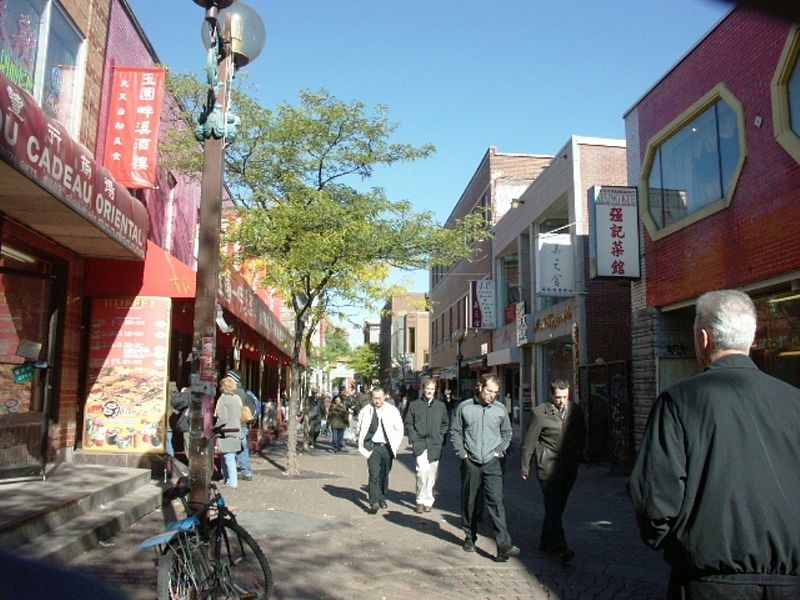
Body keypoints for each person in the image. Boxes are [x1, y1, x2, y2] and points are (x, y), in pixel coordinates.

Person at [630, 290, 800, 600]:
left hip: (708, 580)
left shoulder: (678, 402)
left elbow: (655, 500)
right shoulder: (794, 401)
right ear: (750, 338)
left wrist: (676, 545)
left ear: (703, 338)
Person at [450, 373, 519, 562]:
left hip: (492, 462)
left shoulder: (499, 409)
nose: (492, 396)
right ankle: (470, 537)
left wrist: (499, 451)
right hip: (471, 461)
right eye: (489, 391)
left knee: (496, 502)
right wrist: (462, 453)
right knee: (470, 501)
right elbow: (455, 431)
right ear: (480, 387)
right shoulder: (465, 407)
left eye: (495, 393)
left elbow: (507, 432)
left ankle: (503, 545)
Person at [520, 378, 585, 564]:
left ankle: (545, 541)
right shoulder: (540, 413)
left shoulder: (576, 411)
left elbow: (582, 435)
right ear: (551, 395)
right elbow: (529, 442)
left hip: (569, 466)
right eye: (558, 397)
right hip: (547, 466)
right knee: (553, 506)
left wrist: (579, 455)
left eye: (565, 397)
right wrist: (525, 466)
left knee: (557, 507)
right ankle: (561, 547)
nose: (561, 401)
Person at [357, 386, 405, 514]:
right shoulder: (366, 411)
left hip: (387, 447)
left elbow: (399, 429)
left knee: (384, 474)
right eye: (374, 398)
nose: (377, 401)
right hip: (373, 447)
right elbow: (359, 426)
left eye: (379, 398)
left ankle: (382, 496)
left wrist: (395, 444)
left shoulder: (392, 411)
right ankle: (374, 502)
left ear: (384, 397)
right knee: (374, 475)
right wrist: (364, 444)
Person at [405, 377, 449, 513]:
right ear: (423, 389)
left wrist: (440, 437)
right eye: (427, 388)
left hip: (434, 444)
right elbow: (408, 423)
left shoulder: (440, 406)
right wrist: (413, 438)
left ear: (435, 390)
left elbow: (445, 423)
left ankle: (429, 500)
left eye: (432, 389)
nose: (429, 391)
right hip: (420, 443)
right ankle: (419, 499)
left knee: (431, 474)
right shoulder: (414, 405)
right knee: (421, 473)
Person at [214, 376, 243, 488]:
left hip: (226, 431)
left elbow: (223, 418)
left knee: (228, 457)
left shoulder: (223, 399)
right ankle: (227, 480)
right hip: (236, 429)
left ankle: (232, 482)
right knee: (229, 456)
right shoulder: (237, 398)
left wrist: (214, 426)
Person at [227, 369, 254, 482]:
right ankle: (246, 471)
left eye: (229, 377)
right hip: (242, 424)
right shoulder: (242, 391)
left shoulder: (235, 392)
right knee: (242, 449)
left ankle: (232, 477)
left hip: (236, 424)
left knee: (232, 450)